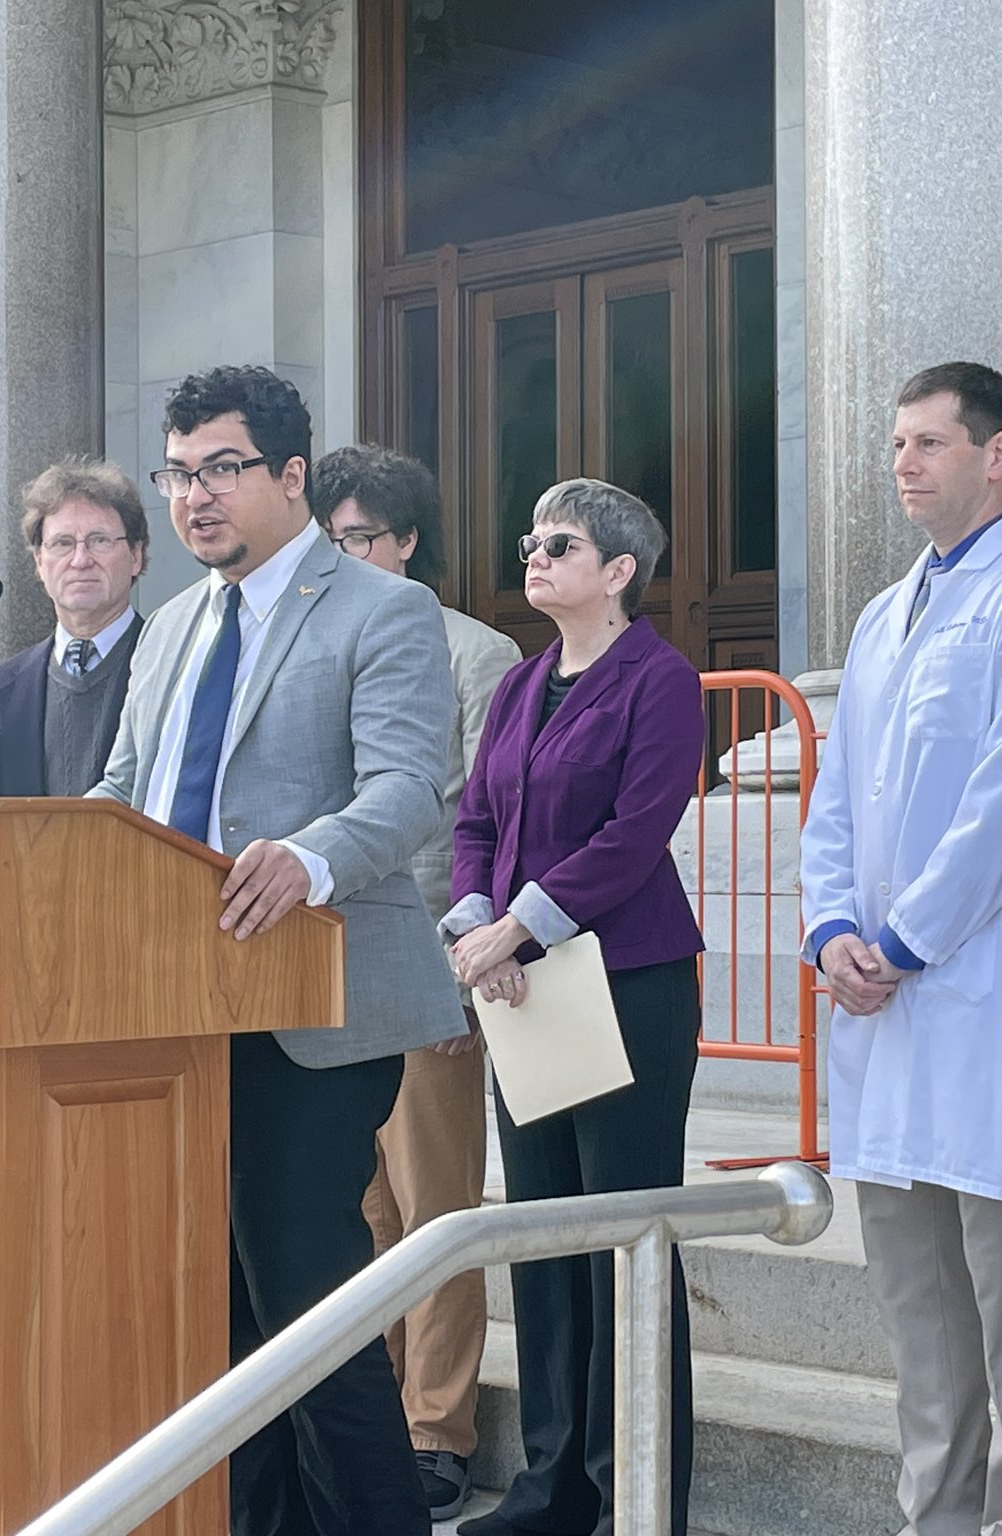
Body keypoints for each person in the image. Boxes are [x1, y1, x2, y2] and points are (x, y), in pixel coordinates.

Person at [91, 366, 461, 1536]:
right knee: (216, 1309)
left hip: (315, 998)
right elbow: (126, 790)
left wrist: (308, 858)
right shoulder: (167, 631)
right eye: (178, 473)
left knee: (304, 1293)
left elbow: (409, 788)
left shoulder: (378, 610)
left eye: (221, 470)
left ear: (291, 476)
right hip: (177, 1002)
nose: (193, 497)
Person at [798, 362, 1002, 1536]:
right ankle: (932, 1513)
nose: (903, 466)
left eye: (928, 443)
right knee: (915, 1297)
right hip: (877, 1000)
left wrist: (899, 943)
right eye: (893, 446)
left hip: (976, 990)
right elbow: (833, 802)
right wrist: (830, 930)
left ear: (999, 453)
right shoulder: (884, 615)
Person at [443, 477, 705, 1536]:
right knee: (545, 1239)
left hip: (625, 985)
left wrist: (524, 925)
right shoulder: (520, 683)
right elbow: (473, 820)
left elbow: (634, 833)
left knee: (623, 1240)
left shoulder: (661, 679)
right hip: (523, 987)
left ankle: (629, 1494)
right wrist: (474, 927)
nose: (534, 557)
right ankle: (549, 1486)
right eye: (529, 540)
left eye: (559, 544)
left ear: (618, 571)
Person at [311, 443, 521, 1522]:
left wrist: (452, 975)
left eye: (356, 537)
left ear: (402, 542)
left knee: (436, 1209)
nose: (342, 555)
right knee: (360, 1213)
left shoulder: (474, 656)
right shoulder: (314, 640)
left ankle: (437, 1427)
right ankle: (373, 1417)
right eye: (329, 536)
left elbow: (471, 825)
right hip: (325, 975)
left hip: (429, 967)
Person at [0, 457, 149, 796]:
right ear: (39, 563)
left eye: (99, 540)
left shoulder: (174, 667)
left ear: (136, 555)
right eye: (62, 543)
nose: (80, 560)